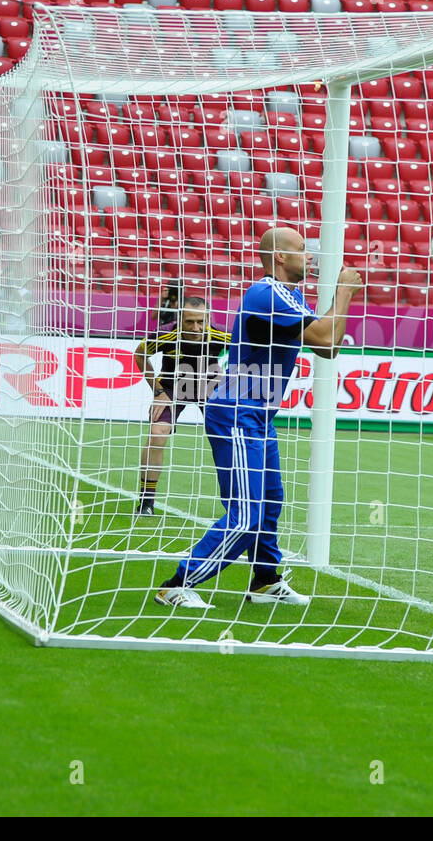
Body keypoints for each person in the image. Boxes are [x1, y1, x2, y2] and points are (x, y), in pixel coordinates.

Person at [153, 226, 363, 609]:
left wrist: (340, 297)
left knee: (269, 500)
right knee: (246, 514)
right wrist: (344, 290)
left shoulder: (289, 295)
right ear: (280, 256)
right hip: (237, 411)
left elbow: (327, 349)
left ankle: (265, 580)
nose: (310, 255)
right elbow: (329, 341)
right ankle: (177, 584)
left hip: (258, 413)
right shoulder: (268, 293)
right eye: (302, 249)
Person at [132, 295, 231, 516]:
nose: (196, 327)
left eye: (201, 321)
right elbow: (139, 355)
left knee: (228, 439)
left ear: (208, 318)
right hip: (171, 389)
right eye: (189, 322)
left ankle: (236, 503)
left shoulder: (222, 335)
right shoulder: (165, 335)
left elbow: (245, 356)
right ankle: (147, 501)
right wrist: (157, 391)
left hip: (209, 390)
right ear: (179, 319)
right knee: (157, 433)